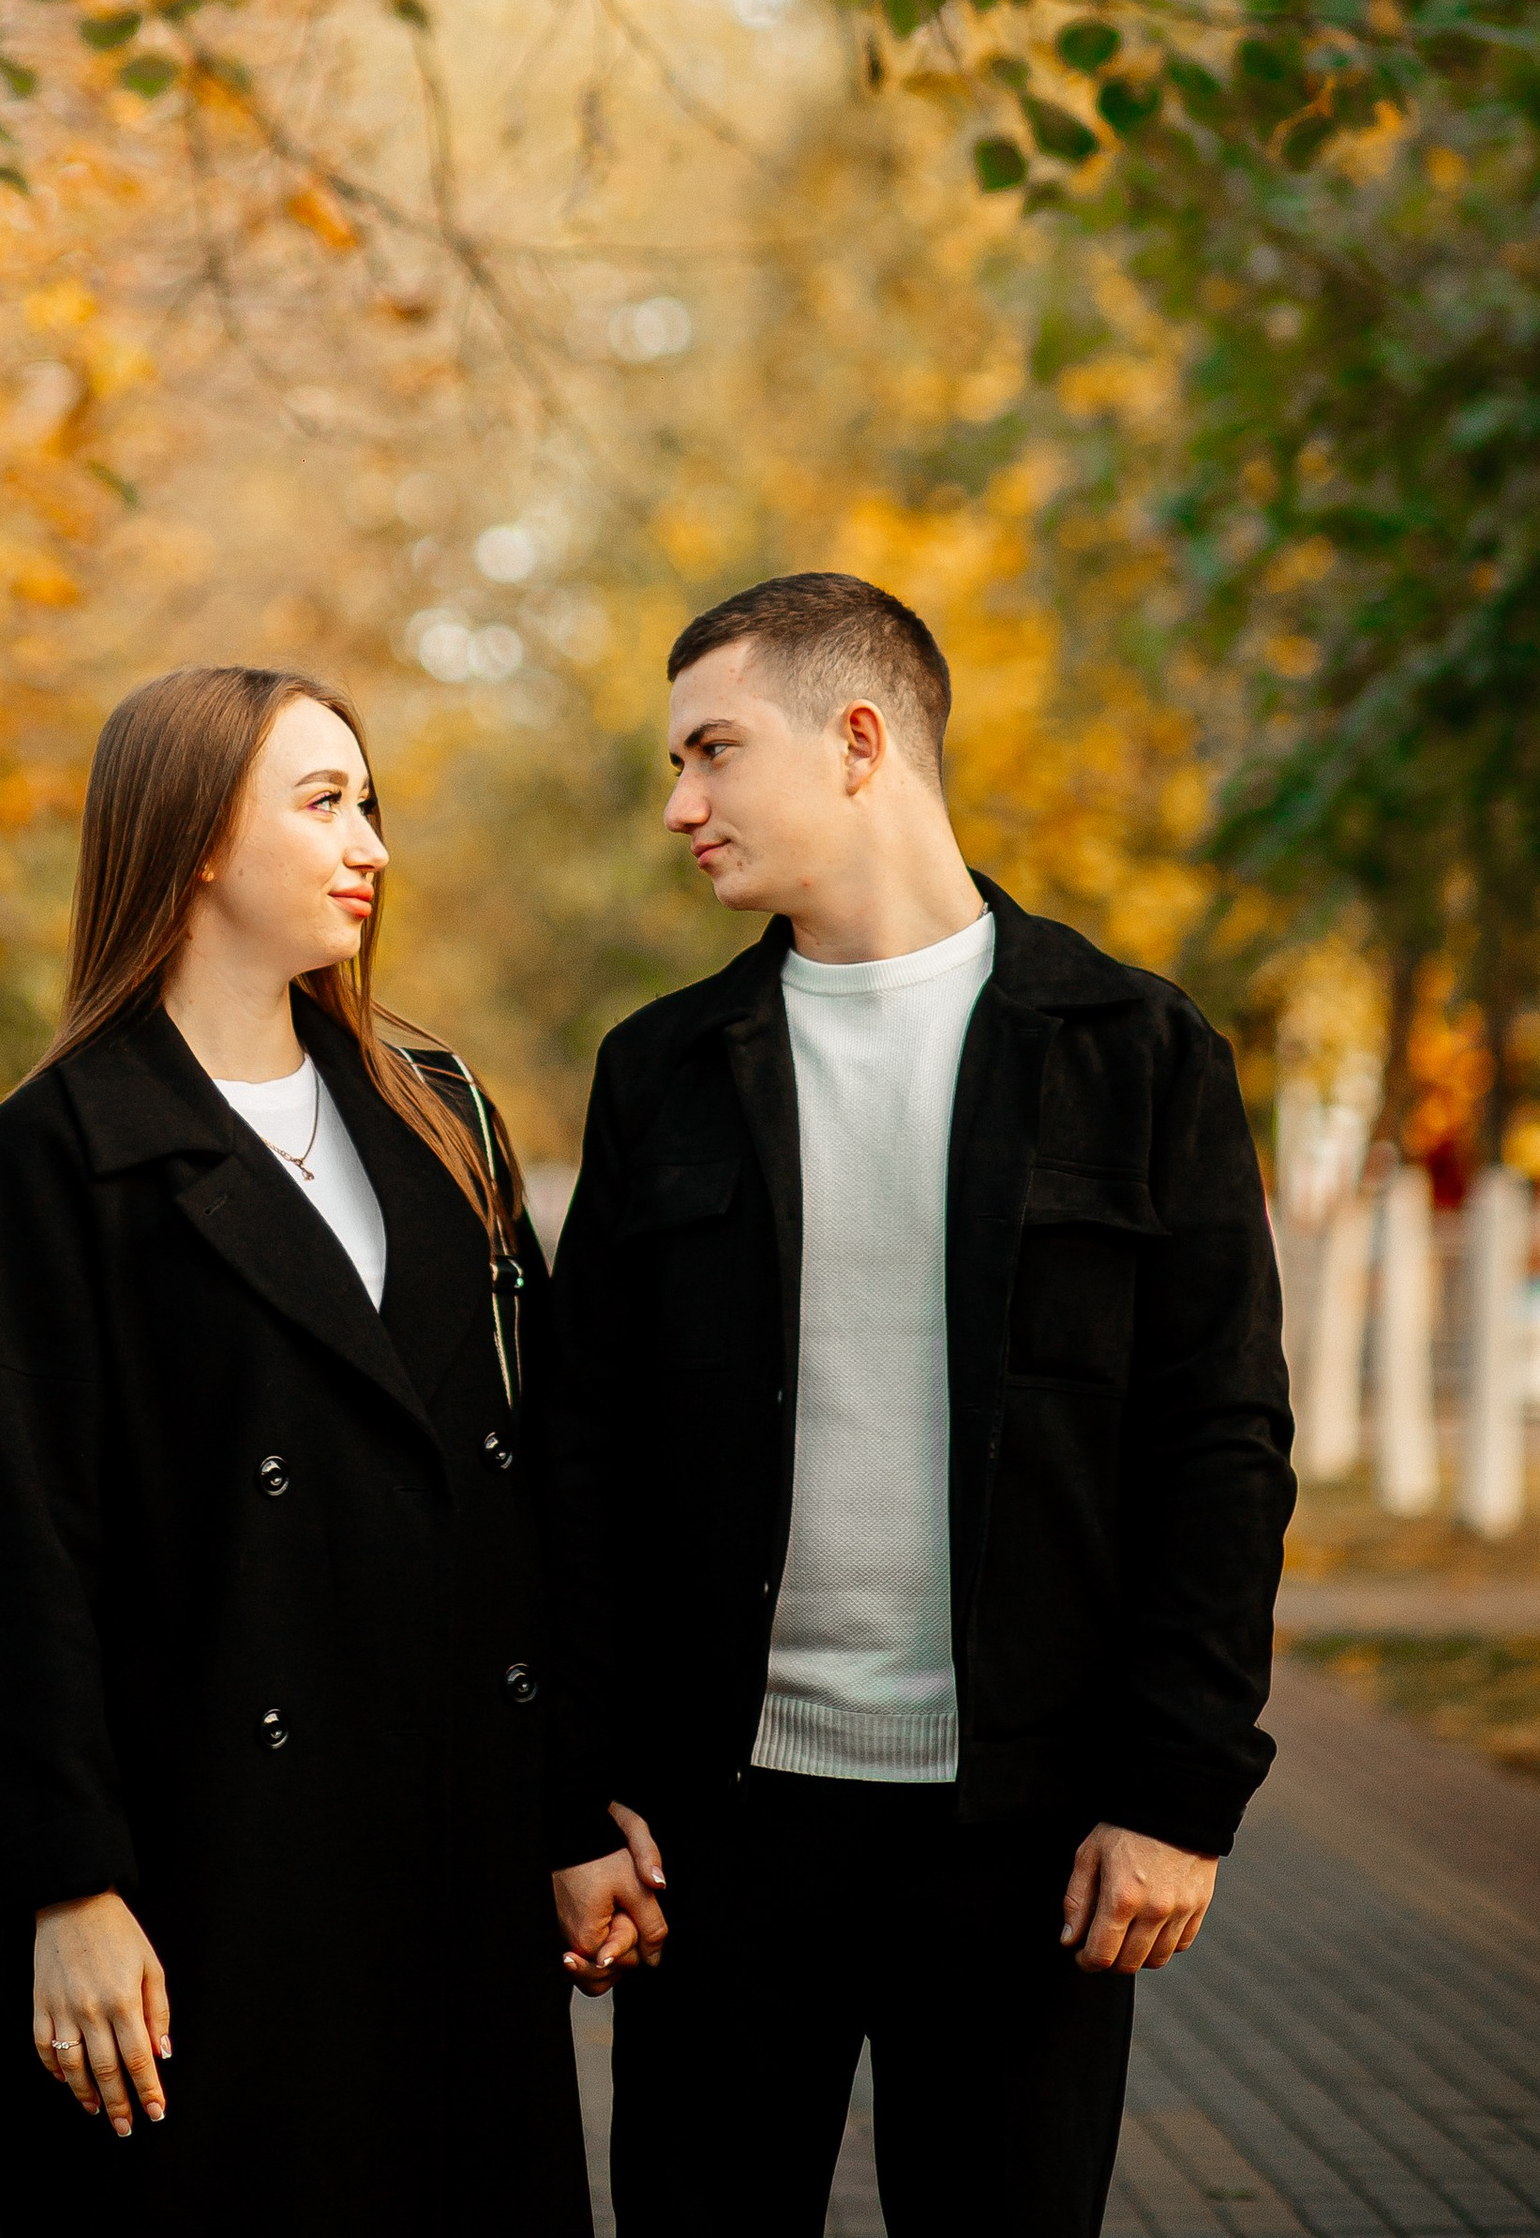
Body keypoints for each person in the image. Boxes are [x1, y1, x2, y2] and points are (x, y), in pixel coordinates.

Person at [547, 571, 1295, 2238]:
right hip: (715, 1843)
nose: (681, 806)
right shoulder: (660, 1068)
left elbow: (1220, 1446)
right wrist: (568, 1790)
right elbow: (583, 1455)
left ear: (860, 740)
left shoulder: (1140, 1051)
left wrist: (1179, 1795)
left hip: (1028, 1844)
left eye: (713, 753)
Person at [0, 663, 598, 2238]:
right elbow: (32, 1561)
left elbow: (537, 1486)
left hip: (453, 1861)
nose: (369, 838)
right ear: (195, 848)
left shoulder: (436, 1107)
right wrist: (69, 1890)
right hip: (206, 1879)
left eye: (370, 800)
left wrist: (577, 1810)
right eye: (322, 802)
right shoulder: (59, 1156)